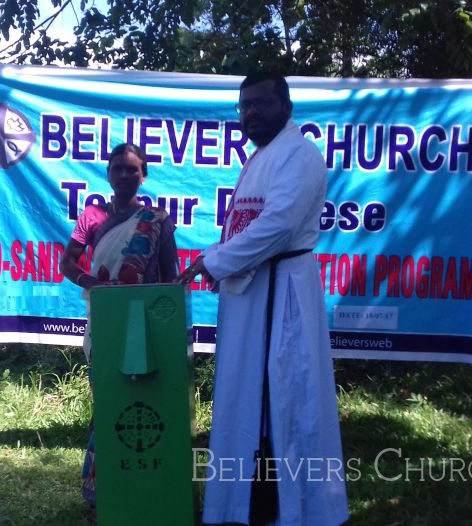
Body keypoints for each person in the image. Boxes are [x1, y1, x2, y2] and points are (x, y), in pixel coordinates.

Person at [179, 73, 349, 525]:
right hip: (251, 293)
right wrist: (218, 258)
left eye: (260, 104)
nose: (249, 113)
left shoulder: (299, 154)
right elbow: (243, 226)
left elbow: (277, 227)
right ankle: (243, 505)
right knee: (243, 396)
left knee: (284, 398)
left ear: (286, 105)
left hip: (282, 293)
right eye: (243, 106)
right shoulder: (260, 157)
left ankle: (291, 509)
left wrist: (214, 262)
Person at [60, 142, 179, 506]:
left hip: (148, 327)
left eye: (133, 169)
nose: (125, 175)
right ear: (108, 174)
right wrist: (93, 284)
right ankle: (101, 492)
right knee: (108, 402)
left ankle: (149, 484)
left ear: (143, 175)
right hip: (106, 322)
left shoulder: (157, 220)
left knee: (149, 403)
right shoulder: (92, 217)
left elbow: (170, 278)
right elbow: (68, 264)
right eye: (118, 168)